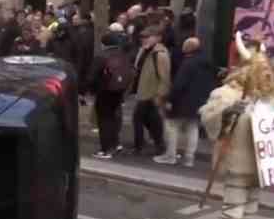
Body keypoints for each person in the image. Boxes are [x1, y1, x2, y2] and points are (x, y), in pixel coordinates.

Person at [198, 34, 270, 219]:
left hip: (258, 166)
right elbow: (209, 120)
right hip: (237, 163)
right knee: (232, 213)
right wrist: (228, 112)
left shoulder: (265, 96)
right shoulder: (226, 94)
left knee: (248, 211)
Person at [154, 38, 217, 167]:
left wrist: (169, 99)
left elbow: (178, 85)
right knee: (193, 128)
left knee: (172, 127)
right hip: (200, 102)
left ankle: (170, 155)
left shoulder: (188, 63)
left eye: (184, 45)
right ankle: (189, 158)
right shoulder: (208, 63)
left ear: (188, 48)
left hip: (182, 102)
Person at [89, 32, 133, 159]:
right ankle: (115, 144)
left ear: (104, 44)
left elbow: (91, 77)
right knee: (114, 118)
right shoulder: (123, 55)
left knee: (104, 121)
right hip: (118, 91)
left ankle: (106, 149)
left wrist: (89, 89)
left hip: (104, 91)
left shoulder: (101, 57)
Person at [132, 26, 171, 157]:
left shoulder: (159, 54)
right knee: (150, 121)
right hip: (143, 91)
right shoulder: (144, 51)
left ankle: (141, 146)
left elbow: (164, 77)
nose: (144, 40)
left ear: (157, 38)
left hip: (151, 93)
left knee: (140, 119)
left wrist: (160, 95)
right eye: (142, 37)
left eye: (148, 37)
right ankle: (157, 144)